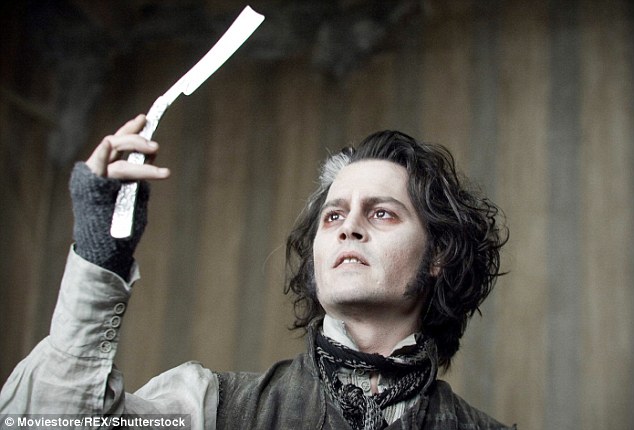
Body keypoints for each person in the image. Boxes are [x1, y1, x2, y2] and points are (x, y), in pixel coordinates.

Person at [0, 115, 514, 429]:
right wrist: (99, 257)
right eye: (333, 216)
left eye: (381, 213)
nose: (348, 228)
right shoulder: (213, 409)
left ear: (439, 255)